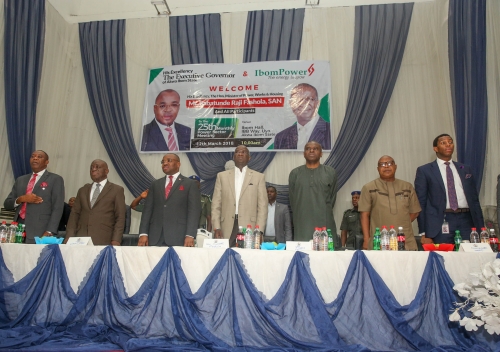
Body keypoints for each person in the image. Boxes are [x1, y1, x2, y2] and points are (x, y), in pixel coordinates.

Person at [415, 134, 484, 244]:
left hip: (467, 220)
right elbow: (421, 202)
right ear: (435, 148)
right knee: (444, 257)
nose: (448, 145)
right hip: (441, 221)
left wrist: (482, 229)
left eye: (450, 142)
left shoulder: (465, 169)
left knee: (470, 256)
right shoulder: (425, 170)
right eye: (443, 143)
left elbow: (474, 201)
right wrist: (424, 232)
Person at [358, 156, 421, 250]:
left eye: (390, 163)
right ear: (378, 169)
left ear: (395, 167)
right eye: (382, 164)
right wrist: (366, 240)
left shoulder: (407, 186)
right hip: (379, 241)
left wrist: (401, 223)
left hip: (404, 239)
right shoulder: (369, 188)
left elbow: (415, 211)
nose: (386, 166)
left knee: (407, 264)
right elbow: (364, 215)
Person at [138, 153, 201, 246]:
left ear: (178, 164)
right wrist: (143, 233)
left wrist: (190, 235)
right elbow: (147, 210)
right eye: (163, 162)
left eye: (169, 161)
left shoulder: (189, 184)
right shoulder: (155, 184)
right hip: (155, 236)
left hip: (179, 236)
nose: (165, 163)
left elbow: (194, 211)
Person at [3, 150, 65, 244]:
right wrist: (21, 199)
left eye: (39, 157)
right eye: (33, 156)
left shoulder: (55, 179)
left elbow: (58, 208)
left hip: (40, 231)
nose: (35, 158)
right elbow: (7, 204)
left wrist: (49, 231)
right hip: (17, 230)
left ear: (46, 162)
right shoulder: (21, 180)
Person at [211, 145, 267, 246]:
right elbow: (216, 205)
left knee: (248, 258)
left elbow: (262, 207)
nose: (240, 154)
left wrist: (259, 230)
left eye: (243, 152)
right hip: (226, 226)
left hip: (250, 227)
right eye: (237, 152)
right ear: (233, 157)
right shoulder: (222, 176)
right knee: (225, 257)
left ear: (249, 157)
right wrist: (217, 227)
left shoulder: (259, 177)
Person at [64, 160, 125, 246]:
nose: (93, 169)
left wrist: (116, 239)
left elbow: (120, 217)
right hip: (80, 239)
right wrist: (69, 236)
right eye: (91, 167)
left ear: (106, 171)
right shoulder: (82, 190)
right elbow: (74, 215)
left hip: (104, 238)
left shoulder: (117, 190)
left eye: (97, 167)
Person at [288, 141, 337, 241]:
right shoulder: (295, 173)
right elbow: (293, 200)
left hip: (324, 223)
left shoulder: (330, 172)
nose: (311, 150)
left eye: (315, 148)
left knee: (325, 254)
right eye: (308, 148)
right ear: (304, 153)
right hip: (302, 224)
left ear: (321, 153)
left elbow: (332, 198)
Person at [274, 83, 331, 150]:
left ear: (317, 103)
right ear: (291, 104)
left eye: (310, 99)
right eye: (299, 100)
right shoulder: (281, 137)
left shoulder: (331, 131)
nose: (304, 104)